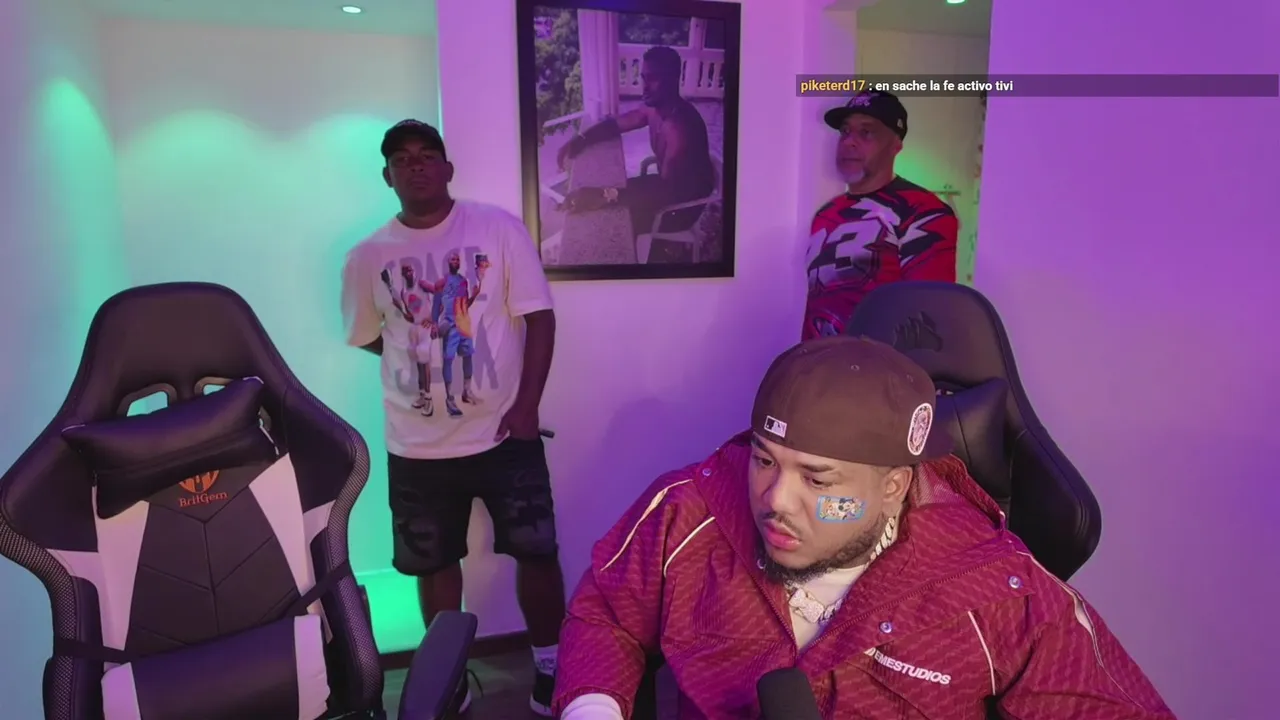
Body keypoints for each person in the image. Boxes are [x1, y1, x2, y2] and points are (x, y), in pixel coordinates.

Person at [553, 336, 1174, 719]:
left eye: (818, 480)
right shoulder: (687, 512)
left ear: (894, 486)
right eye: (765, 461)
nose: (775, 500)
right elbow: (607, 613)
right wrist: (591, 707)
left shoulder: (998, 592)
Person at [340, 119, 566, 716]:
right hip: (418, 446)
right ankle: (448, 676)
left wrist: (526, 405)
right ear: (387, 176)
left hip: (505, 434)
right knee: (435, 563)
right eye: (402, 158)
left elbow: (539, 317)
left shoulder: (497, 229)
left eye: (426, 154)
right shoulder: (367, 257)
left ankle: (551, 666)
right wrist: (421, 360)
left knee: (537, 551)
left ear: (447, 168)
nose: (415, 165)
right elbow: (371, 337)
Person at [804, 90, 959, 340]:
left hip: (881, 363)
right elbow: (816, 305)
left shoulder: (923, 212)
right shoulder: (825, 215)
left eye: (866, 132)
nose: (849, 142)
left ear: (895, 145)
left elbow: (929, 318)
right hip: (821, 360)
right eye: (845, 131)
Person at [557, 45, 716, 262]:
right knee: (603, 206)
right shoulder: (654, 108)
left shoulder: (679, 128)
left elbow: (667, 191)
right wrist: (581, 140)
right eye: (643, 78)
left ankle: (647, 265)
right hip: (666, 185)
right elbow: (617, 124)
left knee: (609, 224)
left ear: (673, 79)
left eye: (653, 79)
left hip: (681, 206)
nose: (645, 86)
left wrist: (605, 194)